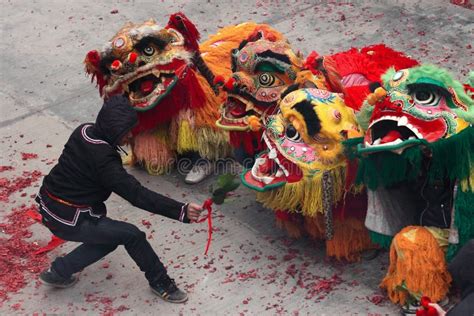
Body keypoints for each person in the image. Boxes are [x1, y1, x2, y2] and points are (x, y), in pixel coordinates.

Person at [35, 95, 203, 304]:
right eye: (126, 132)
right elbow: (137, 195)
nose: (130, 136)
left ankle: (59, 272)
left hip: (49, 204)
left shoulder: (84, 131)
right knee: (132, 235)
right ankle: (161, 283)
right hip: (69, 218)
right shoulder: (104, 160)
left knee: (110, 238)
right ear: (113, 131)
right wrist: (181, 210)